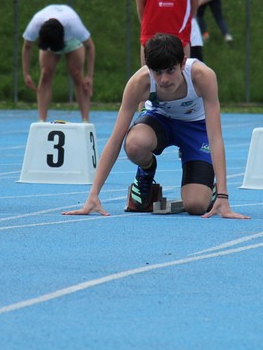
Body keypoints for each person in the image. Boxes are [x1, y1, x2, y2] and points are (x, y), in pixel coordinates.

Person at [63, 33, 249, 219]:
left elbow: (215, 137)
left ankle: (211, 190)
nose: (164, 80)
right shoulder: (139, 83)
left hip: (195, 128)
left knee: (196, 206)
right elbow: (115, 139)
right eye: (157, 72)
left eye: (170, 70)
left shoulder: (202, 76)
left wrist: (224, 196)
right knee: (134, 143)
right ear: (148, 68)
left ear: (183, 63)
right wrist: (93, 194)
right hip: (160, 120)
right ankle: (146, 172)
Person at [22, 4, 95, 122]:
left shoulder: (73, 24)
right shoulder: (36, 23)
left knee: (77, 75)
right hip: (51, 38)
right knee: (45, 74)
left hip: (72, 40)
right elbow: (27, 46)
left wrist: (89, 76)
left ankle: (85, 120)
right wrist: (26, 73)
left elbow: (90, 47)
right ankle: (42, 120)